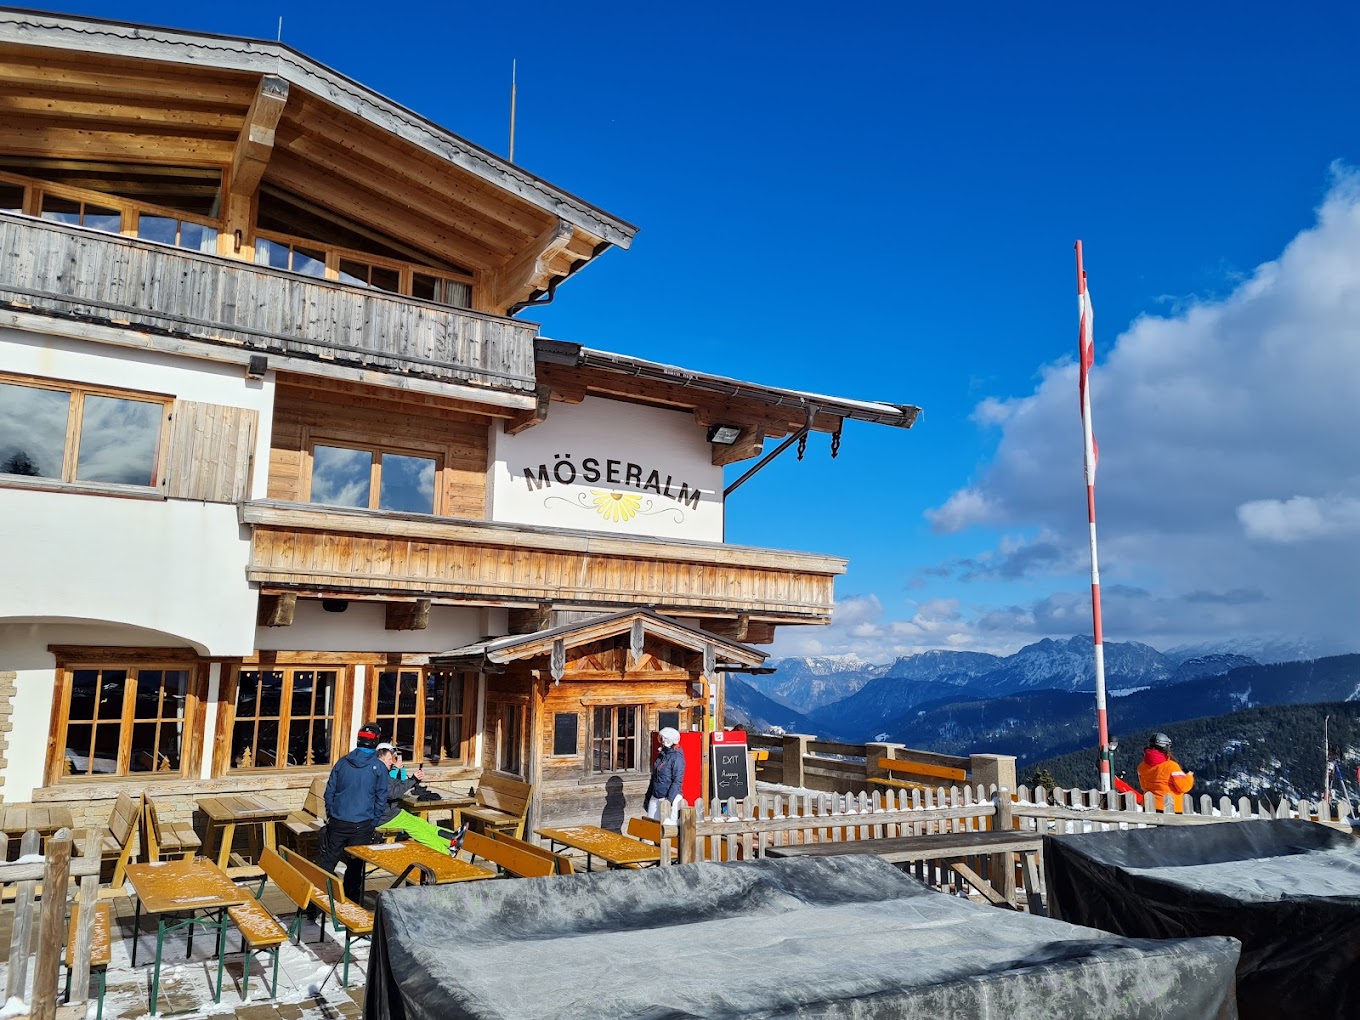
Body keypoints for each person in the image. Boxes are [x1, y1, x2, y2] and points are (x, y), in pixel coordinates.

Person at [318, 721, 388, 902]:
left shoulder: (342, 763)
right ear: (376, 741)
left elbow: (329, 792)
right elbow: (381, 798)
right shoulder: (379, 767)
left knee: (327, 865)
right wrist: (373, 822)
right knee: (355, 869)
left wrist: (332, 814)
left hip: (338, 822)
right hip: (362, 825)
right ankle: (351, 906)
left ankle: (313, 907)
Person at [373, 742, 468, 855]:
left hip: (389, 813)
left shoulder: (381, 772)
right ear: (381, 759)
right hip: (383, 817)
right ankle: (445, 853)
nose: (391, 762)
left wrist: (414, 779)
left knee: (421, 823)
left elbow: (397, 785)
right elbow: (392, 793)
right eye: (389, 759)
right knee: (418, 829)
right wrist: (412, 779)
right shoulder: (379, 774)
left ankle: (452, 839)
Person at [1137, 732, 1194, 813]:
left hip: (1148, 806)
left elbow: (1143, 787)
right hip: (1171, 808)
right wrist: (1189, 776)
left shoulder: (1141, 766)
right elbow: (1184, 787)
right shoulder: (1172, 766)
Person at [643, 727, 685, 823]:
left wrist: (669, 800)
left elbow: (677, 781)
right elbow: (655, 777)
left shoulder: (677, 757)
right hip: (656, 795)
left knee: (667, 826)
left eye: (662, 739)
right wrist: (648, 795)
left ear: (669, 740)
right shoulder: (662, 755)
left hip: (669, 797)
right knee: (651, 825)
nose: (660, 741)